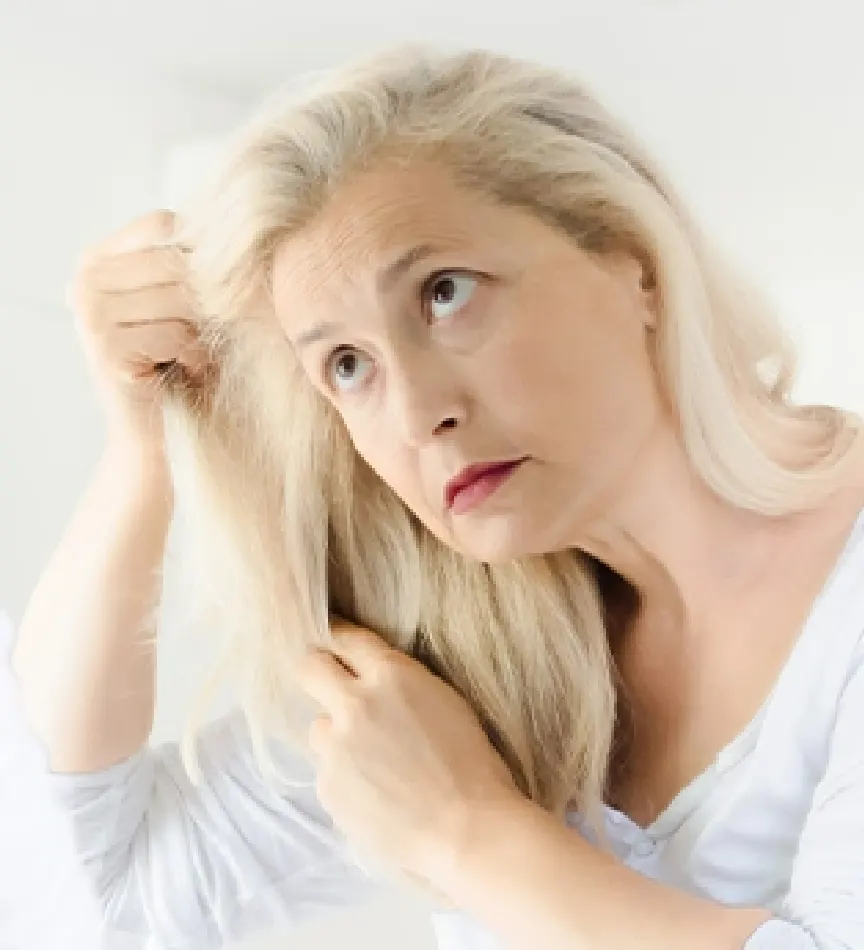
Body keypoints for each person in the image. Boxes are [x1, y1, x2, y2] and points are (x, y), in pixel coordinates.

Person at [10, 45, 864, 950]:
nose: (418, 415)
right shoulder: (474, 668)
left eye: (444, 294)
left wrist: (467, 833)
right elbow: (85, 895)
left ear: (631, 262)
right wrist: (144, 452)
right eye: (349, 365)